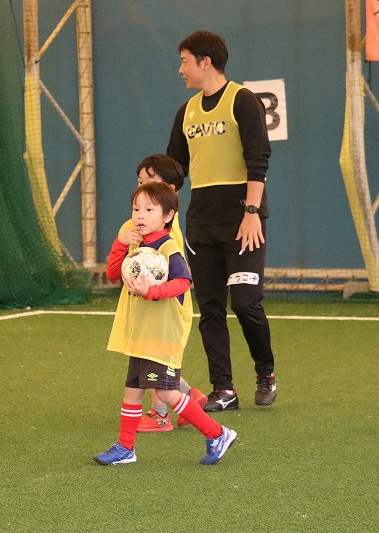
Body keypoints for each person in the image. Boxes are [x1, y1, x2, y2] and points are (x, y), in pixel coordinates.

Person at [166, 30, 277, 411]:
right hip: (201, 224)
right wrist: (151, 192)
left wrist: (251, 213)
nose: (180, 69)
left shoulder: (242, 100)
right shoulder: (186, 111)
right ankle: (224, 390)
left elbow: (258, 159)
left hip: (243, 222)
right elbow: (175, 168)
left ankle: (265, 372)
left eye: (185, 61)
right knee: (211, 308)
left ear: (206, 62)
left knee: (245, 303)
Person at [94, 182, 237, 465]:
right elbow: (112, 274)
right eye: (136, 209)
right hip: (141, 333)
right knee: (132, 390)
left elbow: (183, 282)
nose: (140, 215)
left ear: (168, 215)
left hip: (162, 334)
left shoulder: (168, 247)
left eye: (149, 209)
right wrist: (121, 242)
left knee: (166, 392)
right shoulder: (136, 244)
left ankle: (217, 433)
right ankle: (126, 448)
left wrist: (151, 291)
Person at [123, 155, 207, 432]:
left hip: (168, 306)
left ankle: (162, 415)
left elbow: (180, 279)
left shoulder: (167, 235)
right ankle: (190, 395)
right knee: (152, 365)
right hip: (150, 304)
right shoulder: (142, 227)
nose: (143, 188)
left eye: (151, 181)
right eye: (139, 182)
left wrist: (152, 290)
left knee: (157, 366)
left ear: (170, 191)